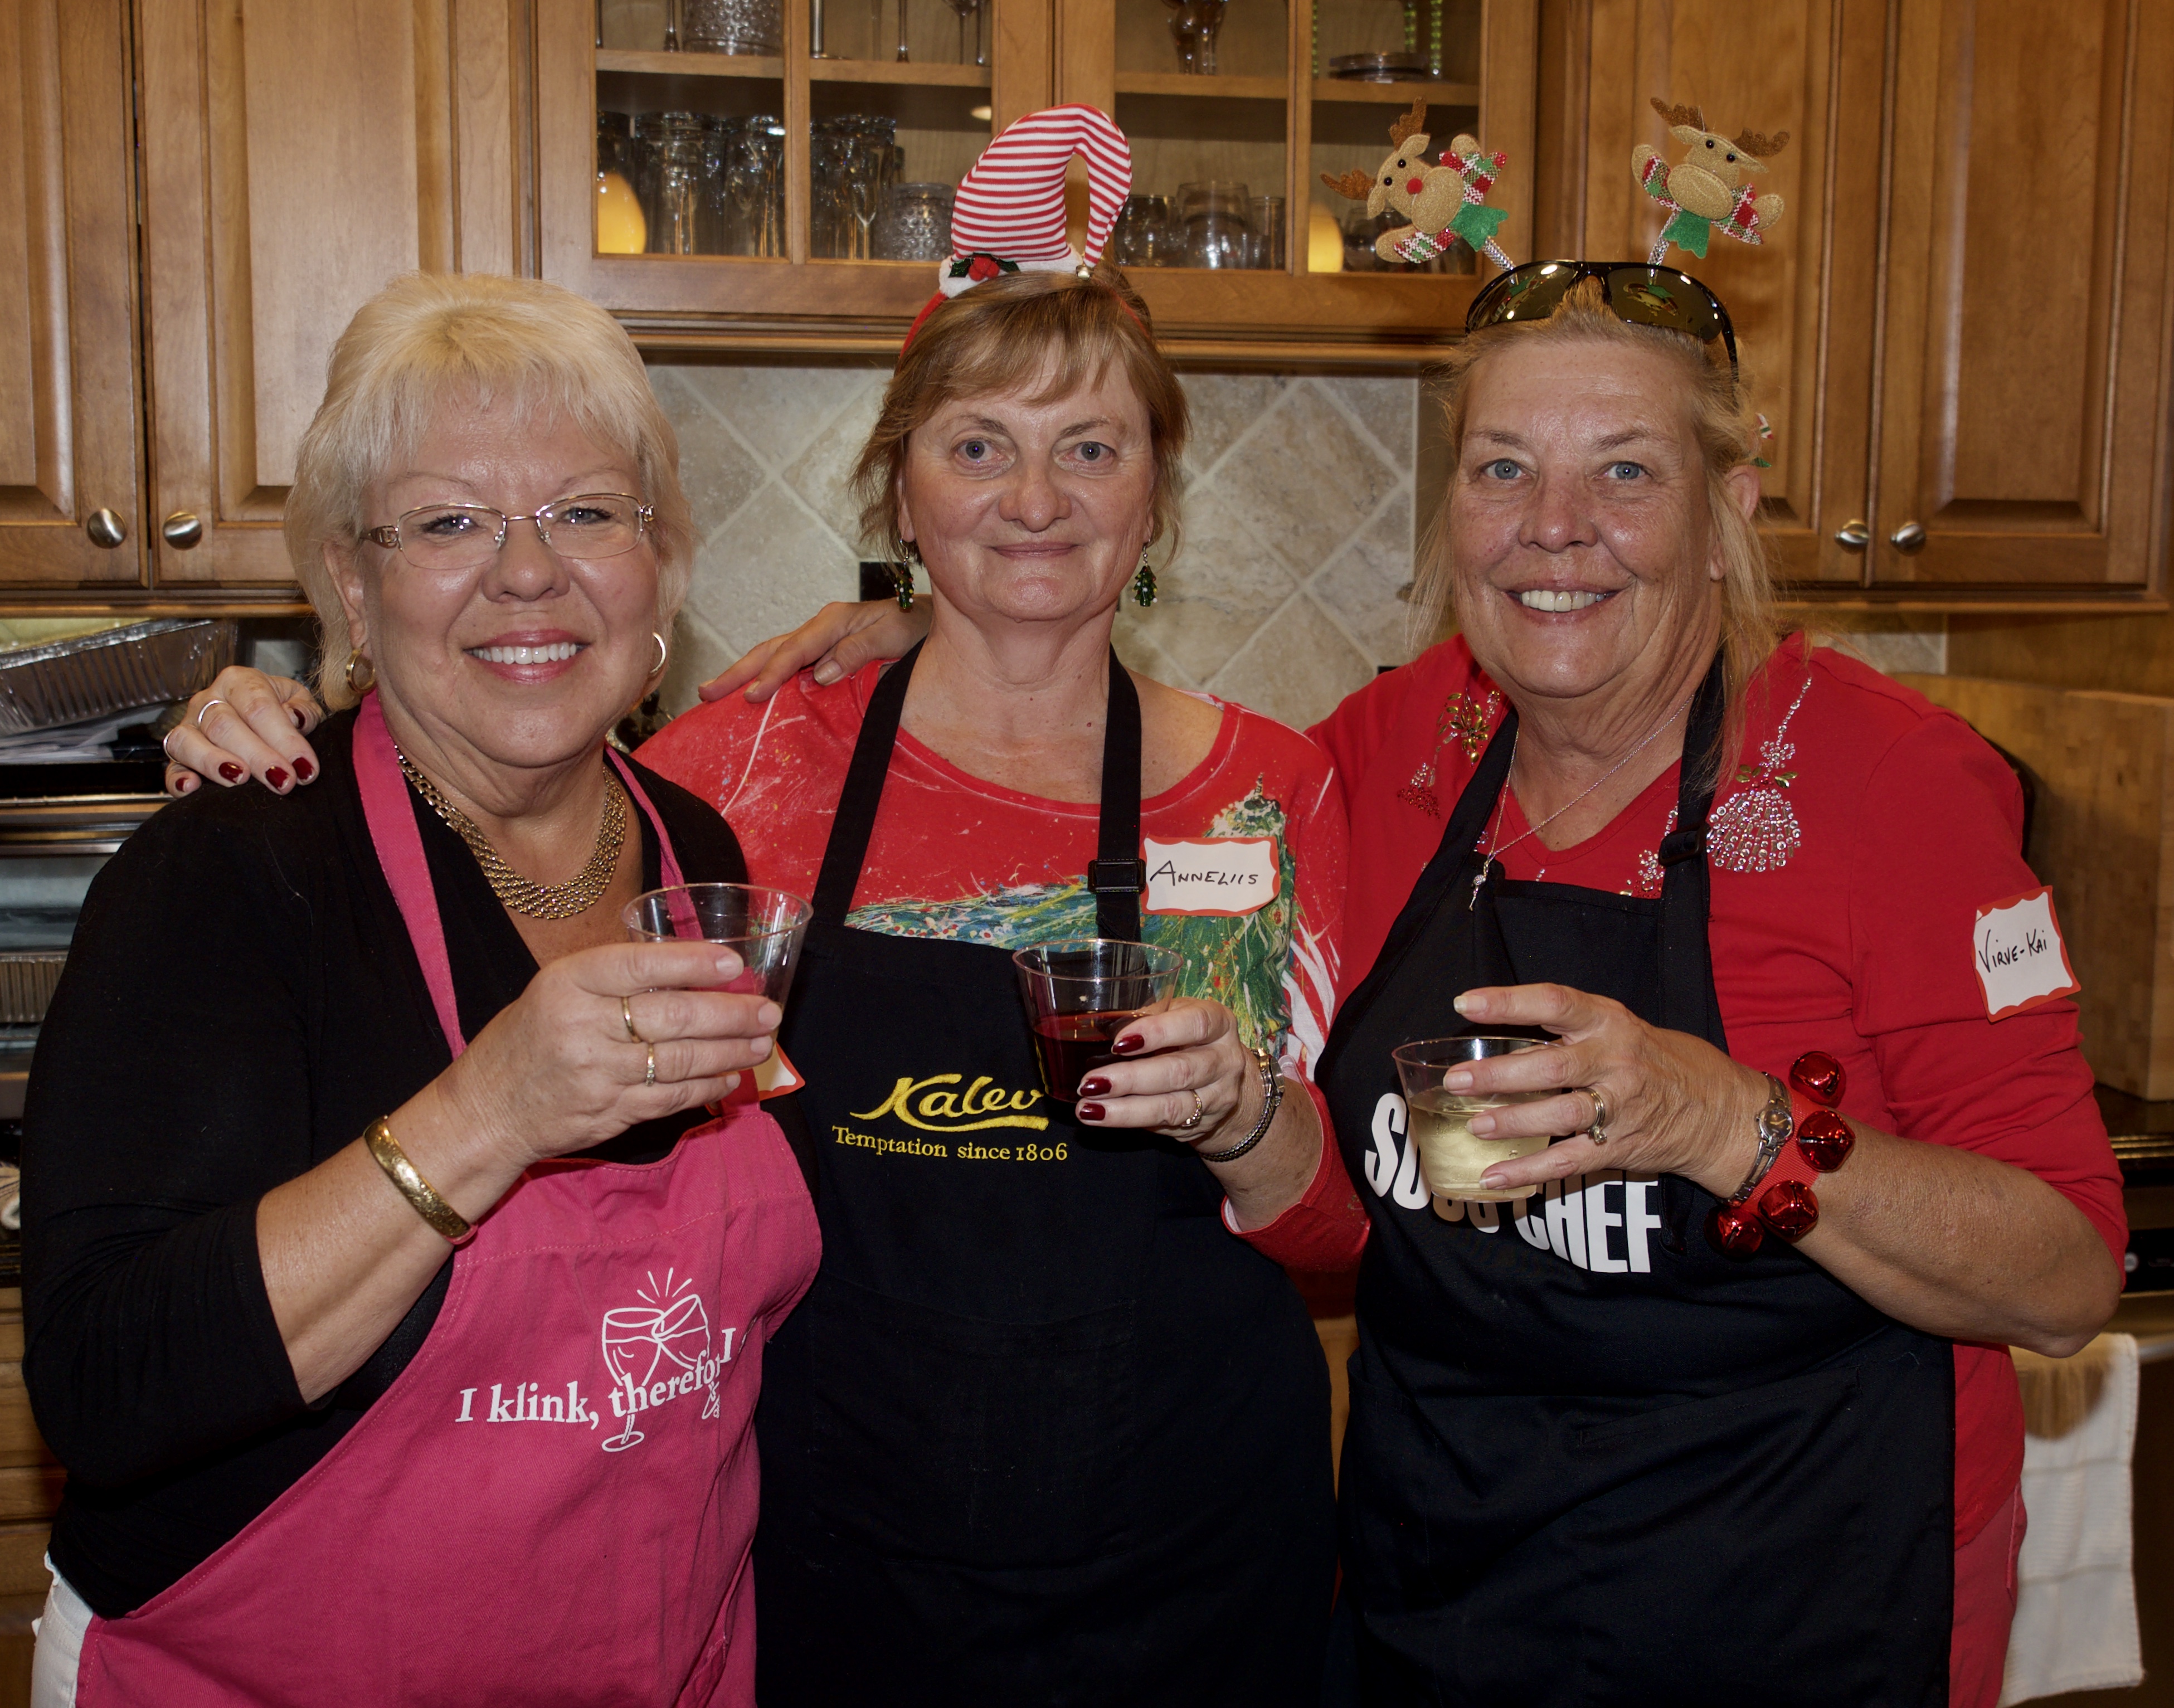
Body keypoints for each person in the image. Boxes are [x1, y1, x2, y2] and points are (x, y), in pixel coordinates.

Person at [594, 263, 2132, 1705]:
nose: (1555, 528)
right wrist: (951, 619)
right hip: (1439, 1581)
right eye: (1502, 469)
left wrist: (1725, 1122)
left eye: (1623, 472)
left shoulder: (1890, 781)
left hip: (1786, 1593)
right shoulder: (1389, 756)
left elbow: (2064, 1276)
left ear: (1726, 512)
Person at [157, 109, 1345, 1707]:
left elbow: (1344, 1224)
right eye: (975, 445)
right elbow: (475, 809)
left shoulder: (1275, 788)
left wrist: (1243, 1114)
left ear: (1154, 497)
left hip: (1188, 1556)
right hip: (838, 1551)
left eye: (1091, 447)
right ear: (899, 491)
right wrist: (282, 723)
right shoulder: (739, 769)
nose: (1034, 497)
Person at [23, 272, 817, 1706]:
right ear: (352, 583)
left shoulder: (694, 852)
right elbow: (109, 1385)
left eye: (587, 513)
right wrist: (487, 1113)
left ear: (661, 564)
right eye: (449, 524)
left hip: (652, 1660)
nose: (529, 574)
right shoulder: (236, 866)